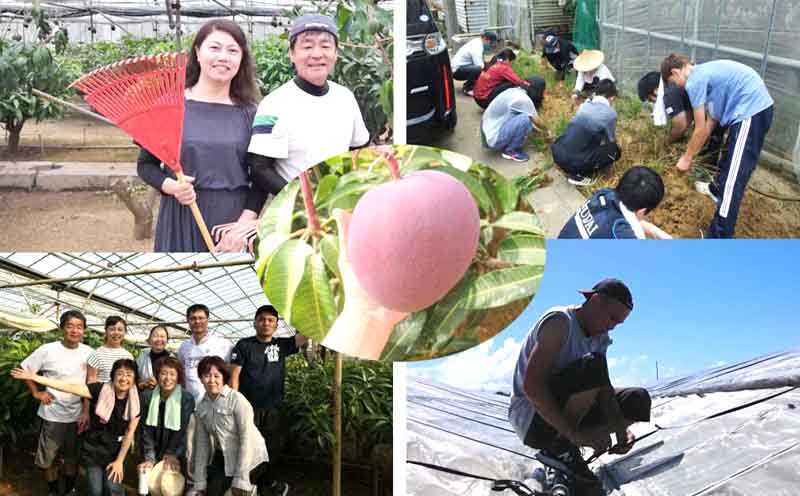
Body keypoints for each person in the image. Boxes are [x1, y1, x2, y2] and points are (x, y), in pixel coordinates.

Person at [215, 13, 370, 251]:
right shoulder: (275, 103)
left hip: (339, 210)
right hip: (296, 217)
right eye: (307, 46)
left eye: (325, 46)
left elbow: (359, 149)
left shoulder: (345, 98)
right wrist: (302, 201)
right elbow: (259, 168)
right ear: (292, 54)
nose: (317, 54)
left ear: (336, 54)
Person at [508, 279, 652, 496]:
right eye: (611, 318)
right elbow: (532, 386)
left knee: (638, 399)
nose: (612, 326)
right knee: (592, 365)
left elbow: (603, 388)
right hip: (533, 420)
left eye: (618, 323)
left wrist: (620, 429)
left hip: (566, 415)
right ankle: (560, 448)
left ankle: (570, 448)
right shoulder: (560, 323)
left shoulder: (600, 338)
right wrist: (574, 434)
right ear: (594, 301)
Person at [137, 19, 260, 252]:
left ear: (241, 59)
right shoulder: (169, 107)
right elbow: (146, 165)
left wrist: (243, 225)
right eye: (214, 48)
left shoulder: (252, 113)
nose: (223, 57)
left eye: (233, 50)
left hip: (232, 222)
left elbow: (261, 177)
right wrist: (171, 186)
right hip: (181, 214)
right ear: (198, 52)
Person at [661, 54, 774, 238]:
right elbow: (708, 125)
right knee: (730, 158)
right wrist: (692, 151)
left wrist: (686, 158)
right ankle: (715, 191)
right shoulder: (708, 76)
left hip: (751, 111)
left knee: (734, 177)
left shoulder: (694, 81)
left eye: (672, 82)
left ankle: (719, 236)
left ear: (675, 72)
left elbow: (698, 128)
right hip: (753, 110)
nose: (676, 87)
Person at [12, 359, 142, 496]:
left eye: (129, 375)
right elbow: (69, 387)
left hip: (117, 450)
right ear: (113, 376)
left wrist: (119, 461)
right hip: (95, 448)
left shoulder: (136, 400)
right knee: (95, 491)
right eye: (120, 374)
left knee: (113, 489)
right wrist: (34, 377)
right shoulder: (100, 390)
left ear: (134, 379)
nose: (124, 378)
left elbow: (130, 431)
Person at [230, 305, 308, 496]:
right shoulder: (244, 345)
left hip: (274, 408)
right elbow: (234, 375)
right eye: (262, 319)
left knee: (272, 447)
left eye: (270, 320)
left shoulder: (281, 345)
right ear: (255, 322)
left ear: (276, 324)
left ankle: (270, 484)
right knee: (248, 447)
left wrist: (310, 315)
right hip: (249, 408)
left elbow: (303, 337)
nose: (266, 323)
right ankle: (250, 484)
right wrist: (234, 403)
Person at [17, 310, 93, 496]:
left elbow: (90, 385)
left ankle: (69, 490)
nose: (74, 330)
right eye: (70, 326)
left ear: (84, 330)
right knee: (48, 459)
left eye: (79, 327)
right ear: (62, 328)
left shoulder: (89, 353)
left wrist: (86, 410)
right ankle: (53, 491)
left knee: (72, 459)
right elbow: (23, 368)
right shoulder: (48, 350)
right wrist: (37, 392)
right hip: (52, 415)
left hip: (76, 416)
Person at [191, 356, 269, 496]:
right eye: (206, 376)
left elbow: (247, 439)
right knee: (212, 492)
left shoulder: (237, 400)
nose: (212, 380)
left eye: (216, 376)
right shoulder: (202, 406)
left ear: (224, 377)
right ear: (201, 378)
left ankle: (253, 489)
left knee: (237, 491)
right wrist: (199, 482)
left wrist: (240, 479)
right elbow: (202, 445)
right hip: (223, 456)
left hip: (251, 457)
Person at [637, 71, 725, 173]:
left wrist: (667, 141)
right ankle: (710, 172)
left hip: (714, 112)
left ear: (656, 90)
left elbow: (681, 124)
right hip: (717, 108)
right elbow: (688, 116)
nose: (653, 103)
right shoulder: (675, 86)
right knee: (713, 144)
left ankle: (704, 175)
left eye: (650, 99)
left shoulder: (668, 94)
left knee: (707, 146)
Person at [559, 166, 670, 239]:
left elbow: (628, 218)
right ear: (642, 212)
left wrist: (658, 233)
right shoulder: (627, 236)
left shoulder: (604, 194)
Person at [138, 357, 195, 485]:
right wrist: (149, 457)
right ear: (157, 375)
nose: (167, 378)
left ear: (178, 377)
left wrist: (172, 453)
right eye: (163, 373)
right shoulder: (147, 396)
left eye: (172, 374)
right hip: (151, 447)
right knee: (149, 483)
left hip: (177, 450)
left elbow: (182, 431)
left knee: (171, 486)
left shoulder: (186, 398)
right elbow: (145, 429)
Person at [552, 79, 621, 185]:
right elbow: (610, 141)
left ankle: (575, 163)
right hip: (574, 164)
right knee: (615, 151)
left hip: (557, 153)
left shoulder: (584, 105)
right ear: (612, 98)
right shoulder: (611, 114)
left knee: (583, 136)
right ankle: (578, 176)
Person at [481, 77, 550, 162]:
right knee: (525, 119)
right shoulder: (523, 100)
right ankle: (511, 151)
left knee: (525, 118)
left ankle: (507, 143)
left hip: (487, 130)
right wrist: (547, 131)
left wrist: (537, 131)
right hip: (492, 139)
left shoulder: (515, 91)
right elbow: (536, 120)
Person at [178, 304, 233, 403]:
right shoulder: (184, 347)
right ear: (188, 321)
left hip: (217, 403)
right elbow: (181, 373)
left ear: (207, 320)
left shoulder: (223, 344)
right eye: (193, 318)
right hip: (190, 403)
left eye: (201, 318)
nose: (197, 321)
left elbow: (231, 373)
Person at [87, 316, 134, 384]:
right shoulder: (96, 354)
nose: (116, 333)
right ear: (106, 332)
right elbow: (91, 381)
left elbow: (130, 380)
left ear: (125, 332)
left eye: (120, 330)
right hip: (101, 393)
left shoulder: (128, 356)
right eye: (112, 329)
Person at [451, 31, 498, 95]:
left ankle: (469, 83)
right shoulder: (477, 48)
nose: (491, 45)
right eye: (491, 43)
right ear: (485, 39)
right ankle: (468, 88)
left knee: (481, 67)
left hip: (462, 67)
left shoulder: (477, 41)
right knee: (478, 69)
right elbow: (481, 66)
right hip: (457, 72)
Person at [137, 324, 176, 390]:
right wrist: (143, 385)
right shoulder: (142, 356)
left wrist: (159, 385)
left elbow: (176, 384)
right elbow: (135, 378)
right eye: (155, 336)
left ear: (167, 340)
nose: (159, 339)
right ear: (149, 339)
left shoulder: (173, 360)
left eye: (162, 336)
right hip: (144, 397)